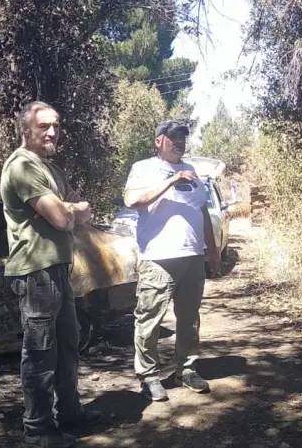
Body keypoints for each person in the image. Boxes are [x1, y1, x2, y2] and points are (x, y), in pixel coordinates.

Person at [0, 101, 102, 448]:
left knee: (68, 346)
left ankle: (70, 414)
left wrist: (67, 208)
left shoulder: (52, 169)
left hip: (58, 267)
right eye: (43, 126)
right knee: (41, 353)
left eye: (55, 125)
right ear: (26, 130)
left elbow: (77, 212)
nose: (52, 132)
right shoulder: (22, 166)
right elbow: (63, 219)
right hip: (35, 271)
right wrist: (68, 210)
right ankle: (38, 429)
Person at [123, 119, 221, 402]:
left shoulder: (192, 170)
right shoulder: (143, 168)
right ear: (158, 141)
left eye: (183, 137)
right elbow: (132, 201)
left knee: (189, 319)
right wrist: (171, 180)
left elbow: (202, 212)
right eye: (174, 137)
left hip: (192, 257)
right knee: (149, 320)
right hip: (158, 258)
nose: (180, 142)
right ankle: (149, 376)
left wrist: (211, 250)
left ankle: (186, 369)